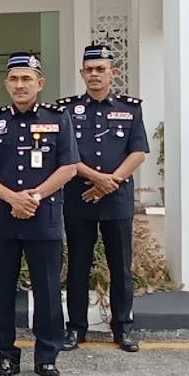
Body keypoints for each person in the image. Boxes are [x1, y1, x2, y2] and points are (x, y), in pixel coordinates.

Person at [0, 52, 77, 376]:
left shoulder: (58, 119)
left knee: (46, 290)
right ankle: (5, 355)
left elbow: (69, 168)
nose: (19, 85)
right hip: (2, 217)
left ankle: (47, 356)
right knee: (0, 290)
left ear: (39, 83)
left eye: (26, 79)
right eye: (14, 79)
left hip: (42, 217)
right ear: (6, 83)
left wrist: (33, 197)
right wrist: (11, 198)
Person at [58, 44, 148, 353]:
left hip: (117, 199)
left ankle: (122, 327)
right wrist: (97, 179)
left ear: (113, 71)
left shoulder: (130, 108)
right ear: (82, 73)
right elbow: (66, 154)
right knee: (78, 265)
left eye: (101, 69)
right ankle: (76, 328)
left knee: (120, 266)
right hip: (79, 196)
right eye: (89, 69)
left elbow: (138, 152)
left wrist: (112, 181)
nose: (94, 74)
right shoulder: (66, 110)